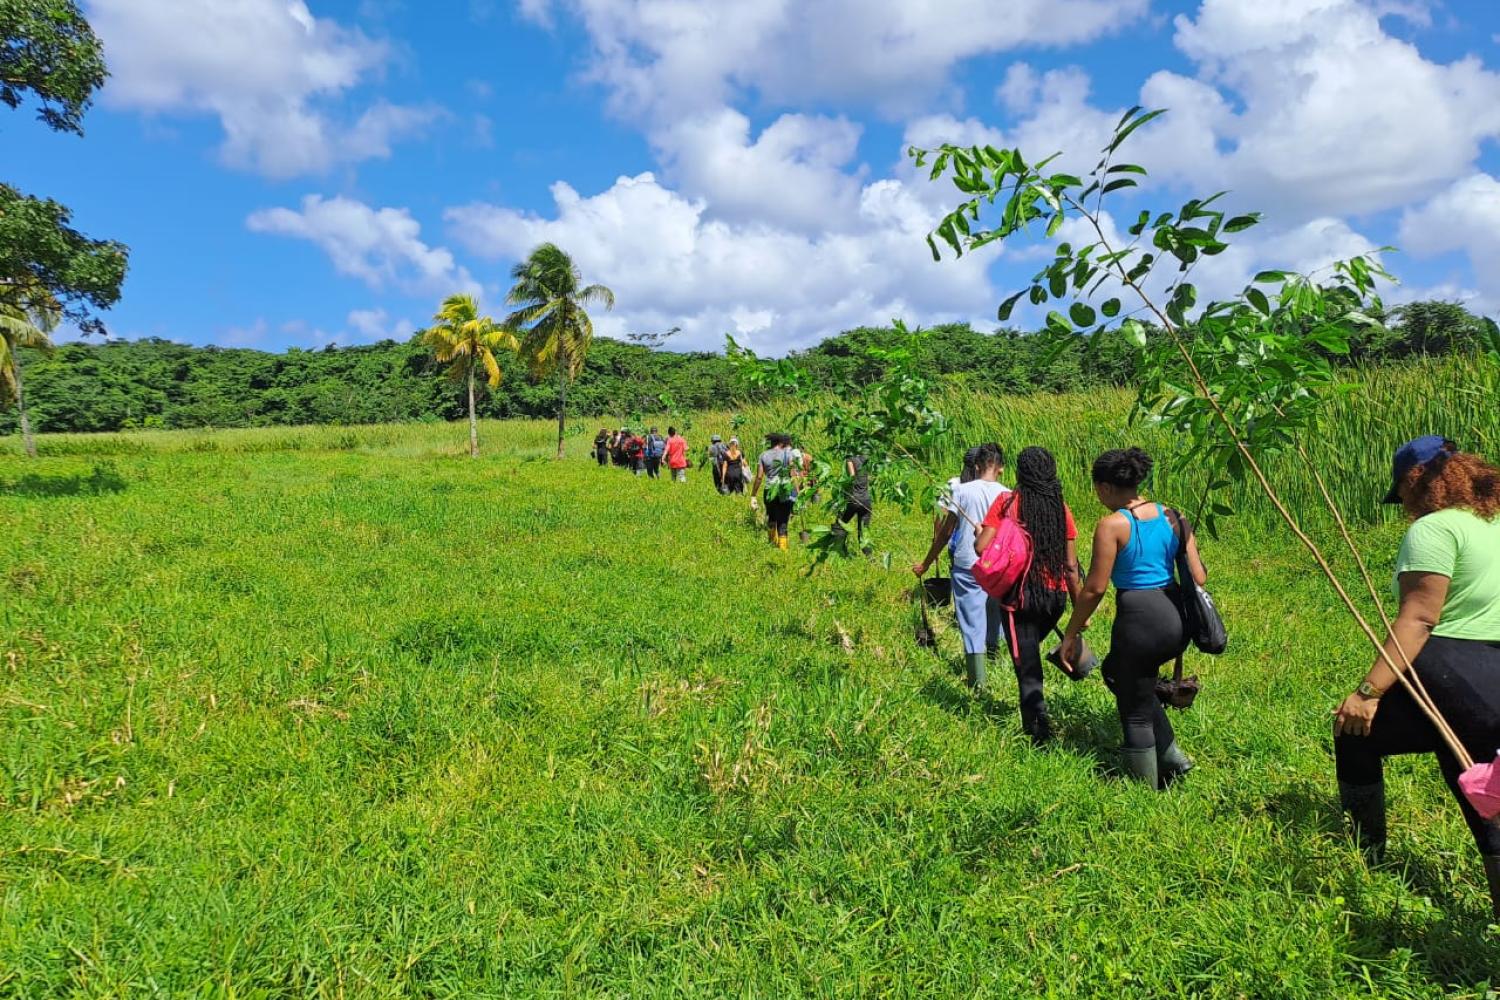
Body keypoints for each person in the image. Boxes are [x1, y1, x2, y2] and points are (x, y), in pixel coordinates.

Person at [1332, 436, 1500, 917]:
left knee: (1482, 794)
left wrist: (1368, 690)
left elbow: (1419, 619)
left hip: (1454, 671)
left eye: (1402, 494)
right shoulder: (1492, 524)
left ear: (1415, 482)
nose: (1403, 505)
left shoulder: (1433, 530)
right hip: (1491, 669)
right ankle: (1366, 858)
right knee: (1354, 732)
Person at [1059, 448, 1206, 787]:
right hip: (1175, 621)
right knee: (1116, 672)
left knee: (1134, 709)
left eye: (1096, 488)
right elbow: (1198, 576)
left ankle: (1146, 790)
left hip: (1139, 623)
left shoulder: (1111, 525)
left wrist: (1071, 633)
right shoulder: (1173, 515)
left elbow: (1094, 589)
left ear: (1106, 487)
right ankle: (1172, 757)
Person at [973, 446, 1082, 746]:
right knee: (1031, 648)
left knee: (1027, 665)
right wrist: (1079, 608)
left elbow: (982, 548)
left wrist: (983, 535)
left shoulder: (1007, 502)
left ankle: (1037, 732)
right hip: (1055, 598)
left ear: (1020, 473)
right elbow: (1071, 566)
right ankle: (1038, 713)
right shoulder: (1062, 508)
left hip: (1019, 597)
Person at [913, 443, 1010, 693]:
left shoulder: (962, 492)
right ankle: (994, 658)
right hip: (998, 566)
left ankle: (978, 680)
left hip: (968, 562)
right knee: (994, 613)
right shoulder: (1009, 495)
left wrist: (926, 562)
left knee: (970, 620)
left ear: (977, 467)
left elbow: (946, 532)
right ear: (1000, 469)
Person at [751, 432, 801, 549]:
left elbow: (759, 477)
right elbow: (793, 475)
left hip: (769, 490)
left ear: (771, 443)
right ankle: (783, 550)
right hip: (784, 490)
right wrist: (798, 493)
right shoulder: (788, 455)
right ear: (780, 443)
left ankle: (772, 543)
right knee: (783, 521)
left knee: (771, 517)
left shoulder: (763, 455)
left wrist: (753, 494)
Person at [836, 454, 873, 553]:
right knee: (864, 530)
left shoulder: (850, 459)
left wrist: (842, 487)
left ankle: (839, 550)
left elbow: (852, 476)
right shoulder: (865, 458)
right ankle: (869, 557)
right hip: (866, 500)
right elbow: (869, 477)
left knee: (840, 524)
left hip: (854, 500)